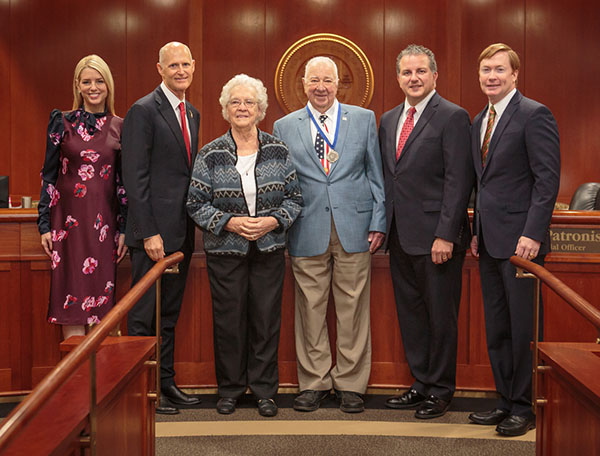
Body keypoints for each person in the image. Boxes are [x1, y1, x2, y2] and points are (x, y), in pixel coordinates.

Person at [273, 56, 386, 414]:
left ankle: (351, 384)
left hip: (355, 226)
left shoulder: (365, 119)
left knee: (353, 308)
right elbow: (282, 182)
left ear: (338, 84)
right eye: (313, 80)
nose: (320, 87)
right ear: (303, 83)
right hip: (306, 227)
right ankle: (315, 382)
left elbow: (375, 174)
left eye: (327, 80)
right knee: (309, 308)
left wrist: (379, 221)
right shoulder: (284, 126)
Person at [187, 74, 302, 417]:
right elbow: (195, 203)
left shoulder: (278, 150)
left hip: (269, 250)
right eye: (235, 102)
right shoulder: (210, 153)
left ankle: (266, 391)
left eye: (248, 102)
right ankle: (231, 389)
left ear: (260, 109)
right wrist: (231, 223)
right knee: (229, 322)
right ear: (225, 110)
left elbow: (295, 199)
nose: (242, 108)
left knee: (266, 321)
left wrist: (272, 221)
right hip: (225, 251)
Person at [468, 43, 560, 436]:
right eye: (486, 69)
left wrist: (532, 234)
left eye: (499, 70)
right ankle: (504, 400)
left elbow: (547, 180)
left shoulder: (533, 114)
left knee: (524, 329)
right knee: (498, 327)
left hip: (523, 245)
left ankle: (525, 406)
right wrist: (476, 234)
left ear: (515, 74)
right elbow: (482, 186)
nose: (492, 76)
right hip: (489, 243)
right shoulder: (478, 121)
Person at [379, 44, 474, 419]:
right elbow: (392, 178)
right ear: (398, 77)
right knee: (412, 315)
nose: (413, 78)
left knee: (440, 317)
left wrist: (446, 234)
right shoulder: (388, 119)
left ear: (435, 75)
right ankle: (420, 383)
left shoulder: (453, 116)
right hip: (400, 235)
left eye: (421, 71)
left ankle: (441, 389)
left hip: (437, 238)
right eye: (406, 72)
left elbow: (458, 180)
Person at [121, 41, 200, 414]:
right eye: (173, 65)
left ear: (193, 67)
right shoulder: (143, 111)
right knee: (143, 318)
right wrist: (147, 231)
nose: (180, 70)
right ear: (160, 69)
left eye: (186, 64)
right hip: (152, 237)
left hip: (180, 232)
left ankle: (165, 383)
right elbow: (134, 180)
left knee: (168, 314)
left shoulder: (193, 113)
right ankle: (143, 394)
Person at [38, 54, 128, 340]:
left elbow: (123, 183)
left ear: (108, 85)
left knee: (101, 309)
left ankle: (99, 383)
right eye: (87, 81)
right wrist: (43, 224)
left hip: (104, 229)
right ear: (77, 85)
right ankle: (75, 382)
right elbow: (49, 176)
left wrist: (124, 228)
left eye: (99, 81)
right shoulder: (60, 122)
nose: (93, 87)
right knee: (71, 300)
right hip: (67, 228)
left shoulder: (120, 126)